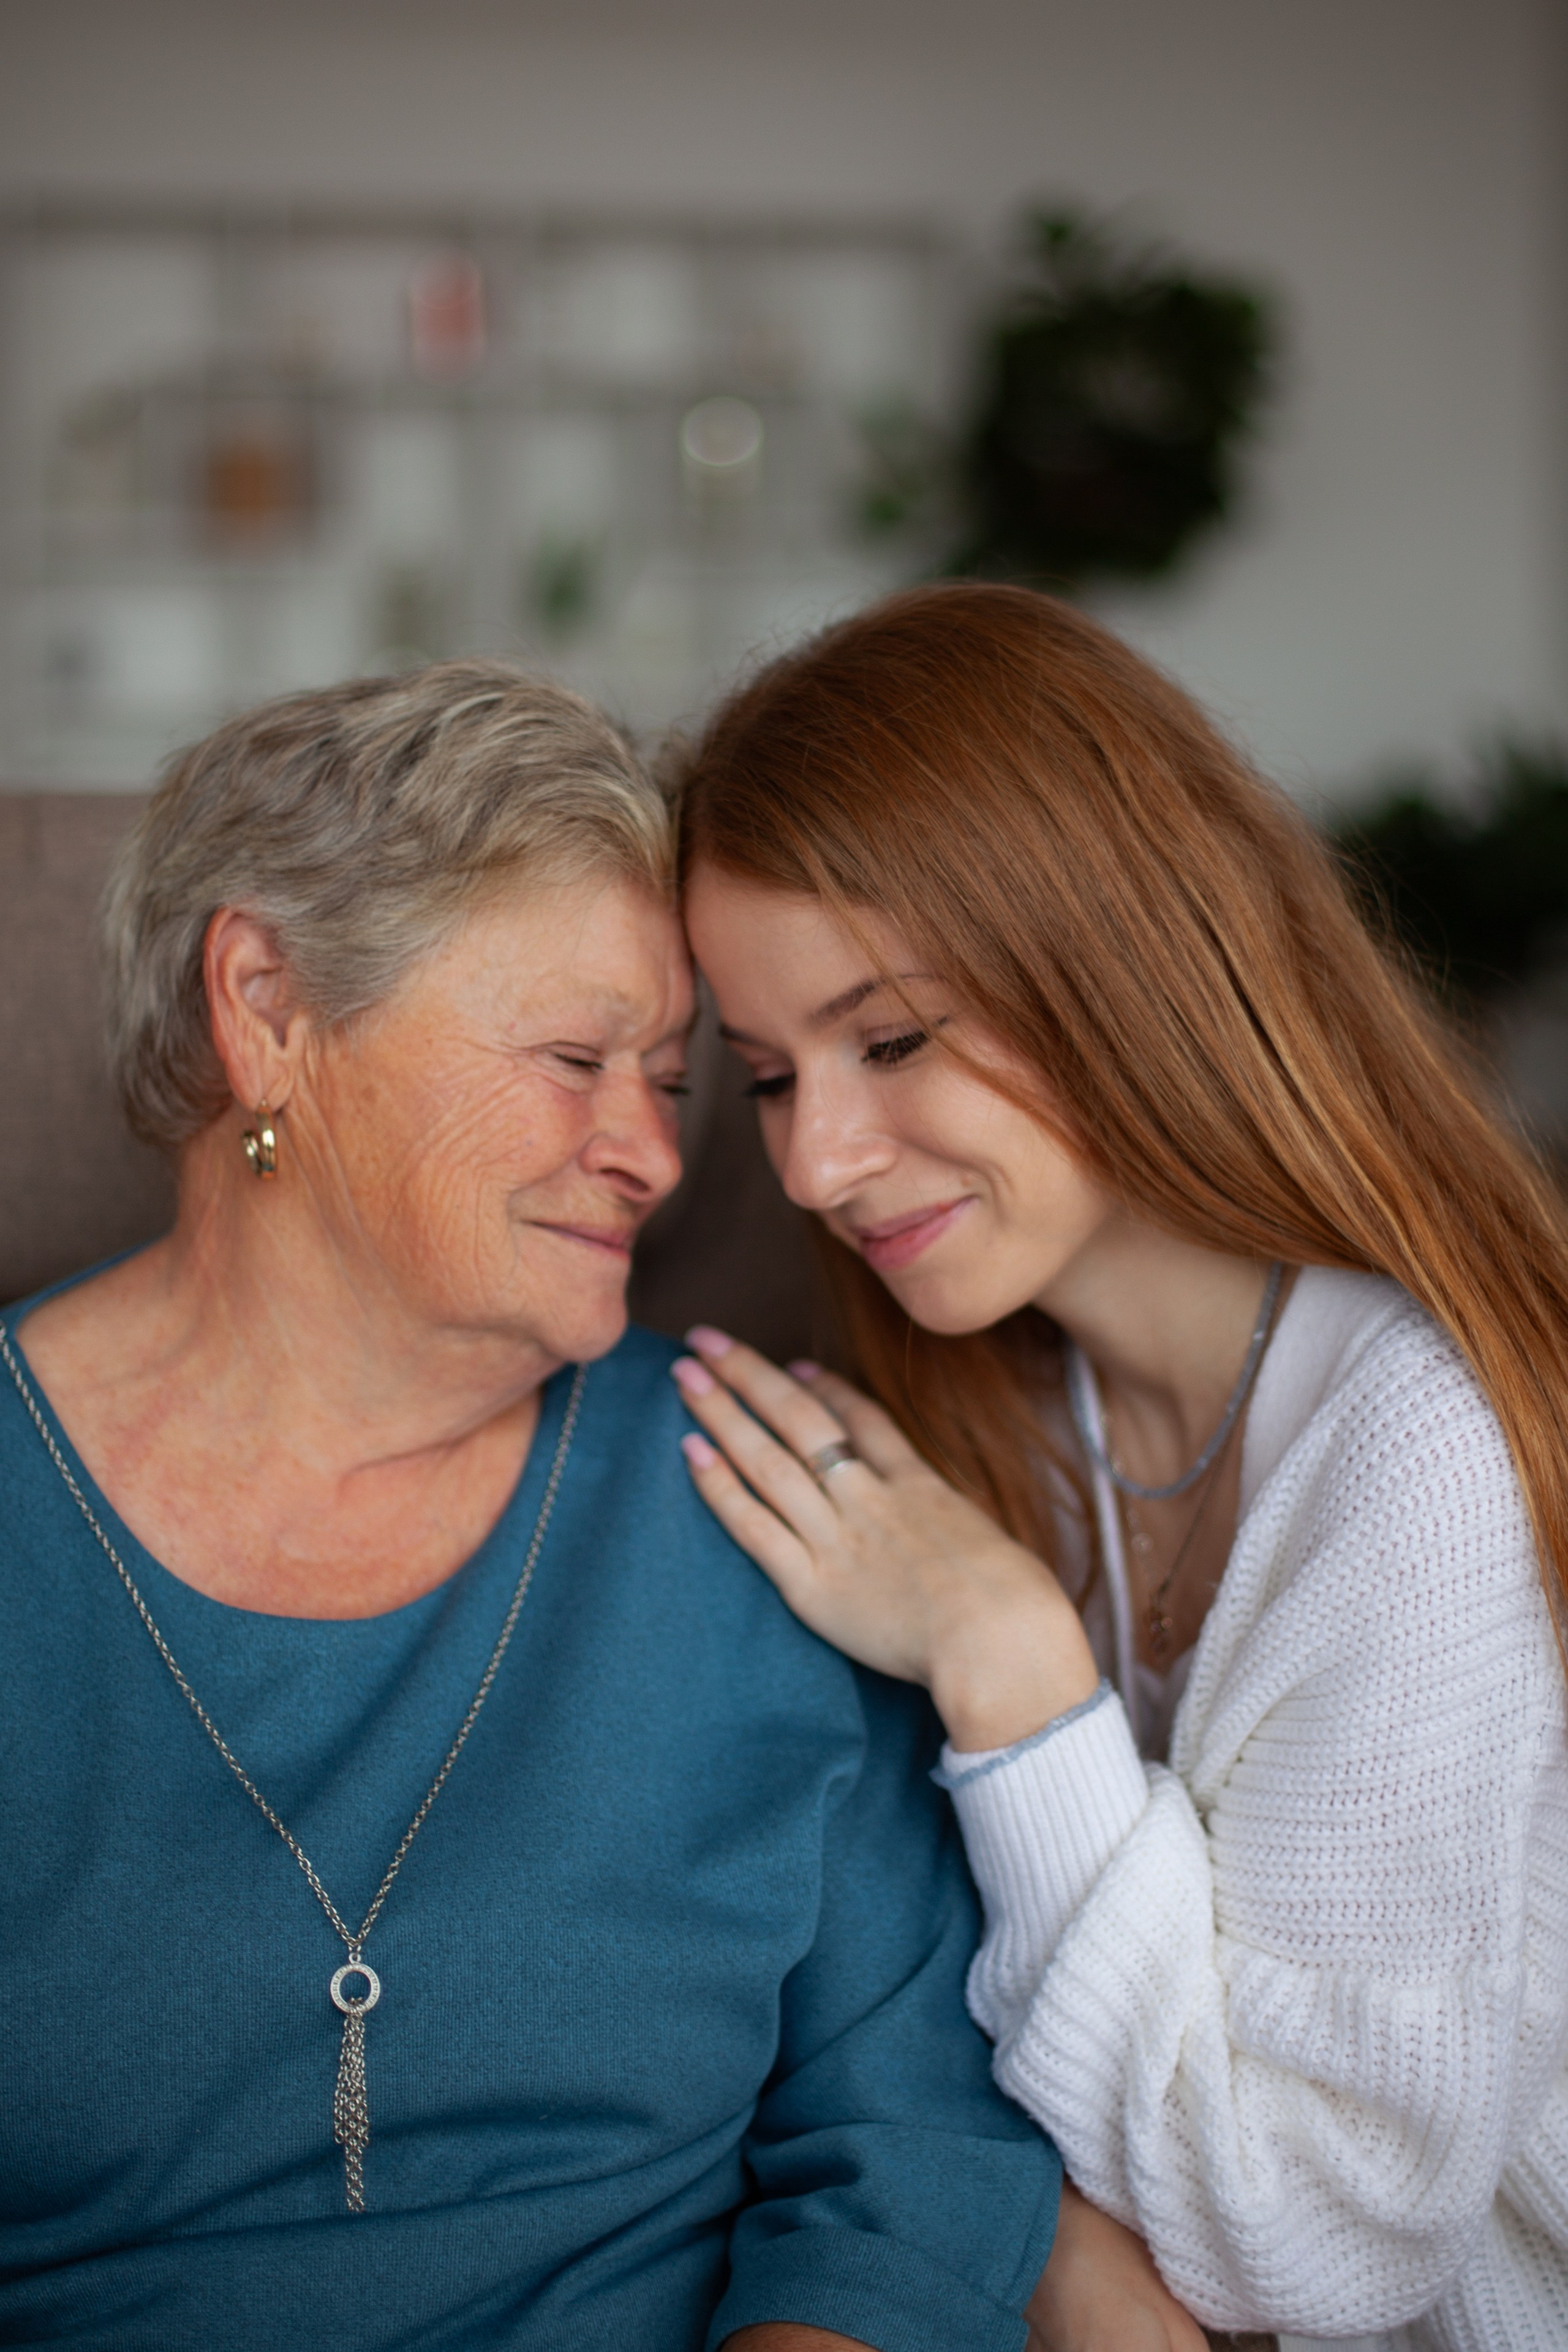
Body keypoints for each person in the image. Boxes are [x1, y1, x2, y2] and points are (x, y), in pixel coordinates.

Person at [0, 660, 1060, 2351]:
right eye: (577, 1056)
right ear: (268, 1009)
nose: (655, 1151)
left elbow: (912, 2139)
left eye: (671, 1074)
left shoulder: (762, 1489)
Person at [669, 582, 1568, 2352]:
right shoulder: (1000, 1405)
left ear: (1115, 955)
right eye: (768, 1077)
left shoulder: (1418, 1447)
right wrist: (1070, 2253)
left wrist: (1018, 1677)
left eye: (895, 1037)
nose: (818, 1163)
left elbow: (1322, 2239)